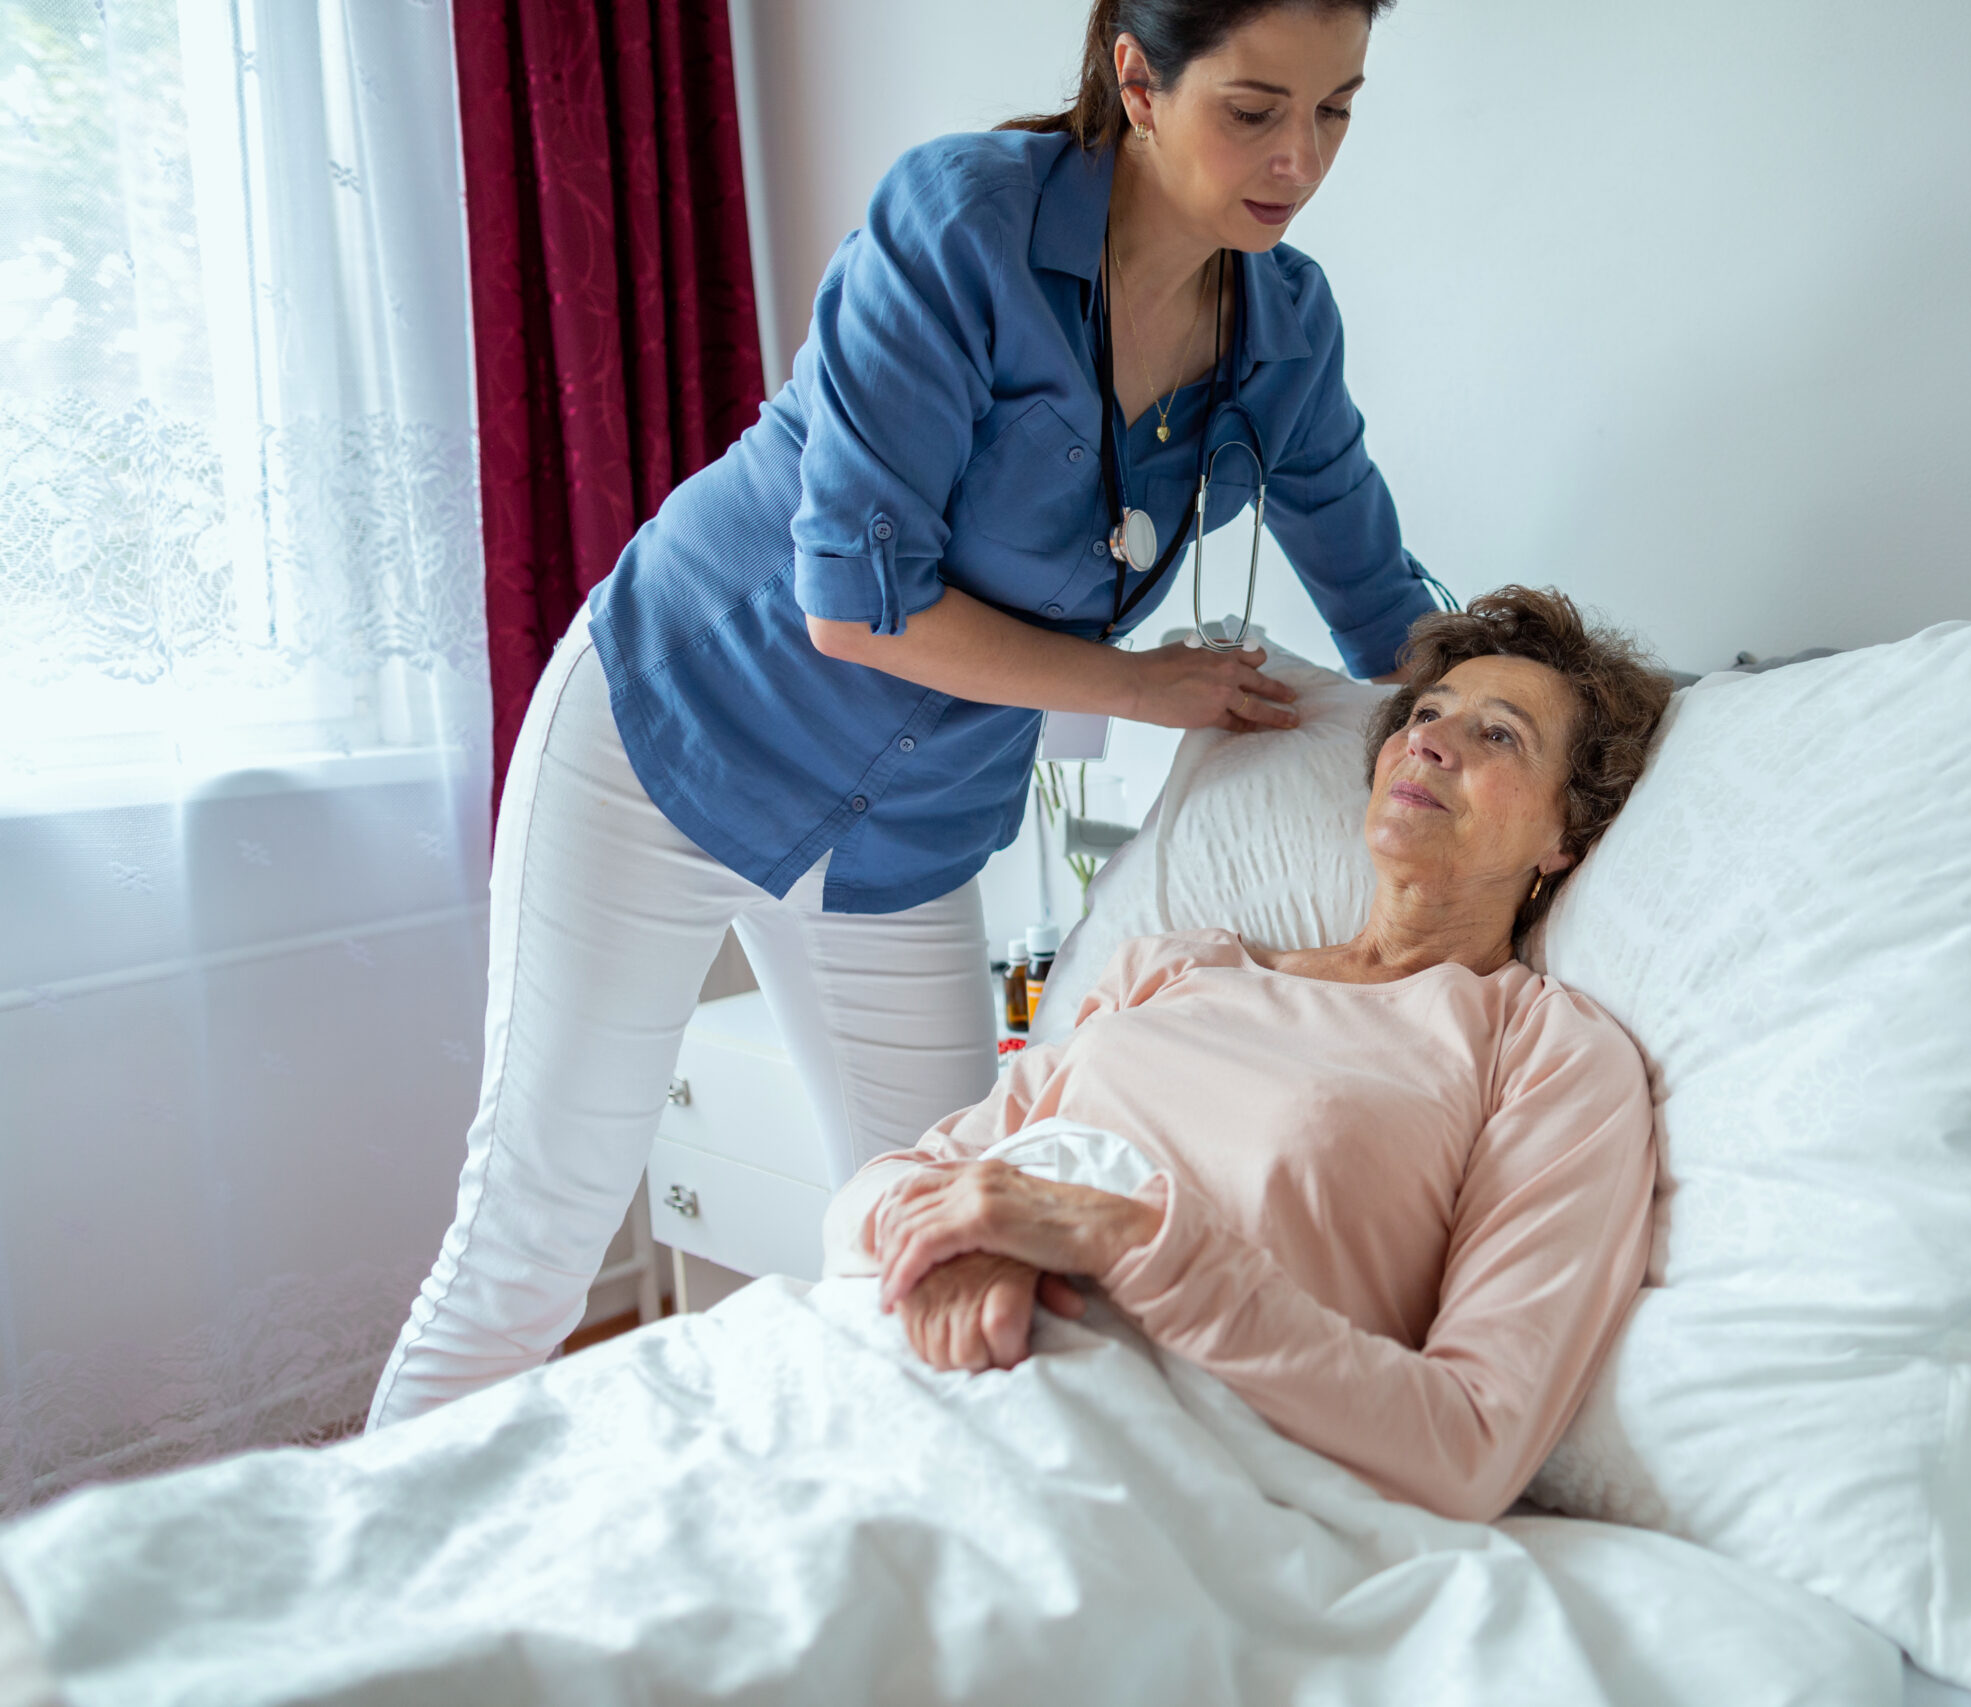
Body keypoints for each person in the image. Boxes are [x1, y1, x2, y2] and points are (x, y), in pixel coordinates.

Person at [370, 0, 1438, 1428]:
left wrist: (1574, 707)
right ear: (1136, 76)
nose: (1298, 159)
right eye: (1255, 109)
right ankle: (354, 1637)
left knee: (946, 1243)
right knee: (533, 1242)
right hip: (676, 732)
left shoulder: (1284, 335)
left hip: (909, 837)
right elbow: (855, 604)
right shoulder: (963, 227)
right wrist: (1138, 685)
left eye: (1337, 110)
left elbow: (1387, 604)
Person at [828, 587, 1673, 1521]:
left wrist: (1112, 1234)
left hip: (1140, 1466)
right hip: (912, 1350)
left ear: (1566, 834)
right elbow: (888, 1187)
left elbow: (1470, 1445)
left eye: (1501, 736)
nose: (1432, 740)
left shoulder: (1547, 1054)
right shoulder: (1173, 967)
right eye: (1426, 714)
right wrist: (951, 1244)